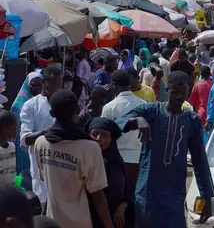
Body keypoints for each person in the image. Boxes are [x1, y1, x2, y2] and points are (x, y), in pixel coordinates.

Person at [116, 71, 214, 227]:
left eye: (183, 93)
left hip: (174, 191)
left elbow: (200, 161)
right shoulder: (151, 111)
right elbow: (118, 122)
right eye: (174, 92)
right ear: (167, 89)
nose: (178, 97)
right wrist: (137, 119)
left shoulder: (192, 121)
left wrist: (207, 197)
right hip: (148, 190)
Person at [34, 90, 114, 228]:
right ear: (77, 110)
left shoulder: (40, 143)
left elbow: (45, 178)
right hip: (81, 223)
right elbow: (97, 194)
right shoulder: (89, 147)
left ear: (52, 113)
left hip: (52, 221)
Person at [20, 66, 62, 206]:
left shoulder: (64, 101)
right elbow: (25, 139)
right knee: (43, 203)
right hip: (41, 166)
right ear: (44, 82)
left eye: (58, 84)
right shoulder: (31, 105)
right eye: (52, 84)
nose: (55, 88)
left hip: (63, 164)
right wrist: (46, 132)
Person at [85, 117, 135, 228]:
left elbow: (129, 190)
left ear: (111, 138)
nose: (99, 138)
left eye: (104, 135)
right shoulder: (85, 161)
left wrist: (121, 208)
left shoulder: (117, 162)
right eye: (95, 134)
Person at [101, 69, 147, 185]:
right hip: (138, 157)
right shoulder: (144, 105)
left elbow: (103, 132)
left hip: (116, 158)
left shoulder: (109, 107)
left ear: (113, 85)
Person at [11, 71, 43, 191]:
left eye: (40, 85)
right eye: (34, 85)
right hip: (22, 146)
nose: (37, 88)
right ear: (27, 85)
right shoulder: (18, 105)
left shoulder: (44, 103)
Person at [0, 111, 17, 184]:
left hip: (11, 191)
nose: (17, 130)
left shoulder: (12, 146)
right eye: (16, 126)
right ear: (7, 129)